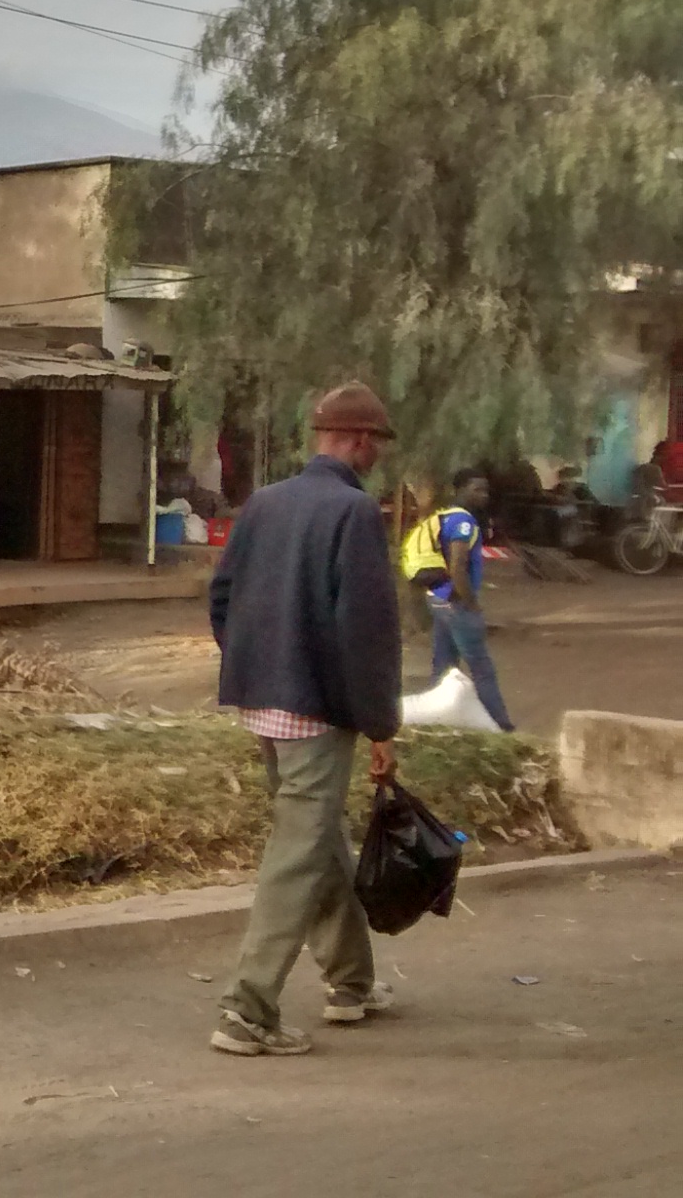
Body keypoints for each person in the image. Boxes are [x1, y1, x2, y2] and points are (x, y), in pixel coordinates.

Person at [204, 382, 403, 1057]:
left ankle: (351, 983)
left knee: (317, 840)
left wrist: (255, 664)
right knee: (298, 853)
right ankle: (247, 1011)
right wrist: (380, 724)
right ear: (359, 441)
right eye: (377, 443)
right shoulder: (355, 511)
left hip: (260, 700)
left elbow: (222, 597)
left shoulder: (264, 502)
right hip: (317, 710)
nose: (378, 454)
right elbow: (366, 632)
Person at [402, 469, 512, 731]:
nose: (483, 495)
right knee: (481, 667)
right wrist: (471, 603)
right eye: (476, 489)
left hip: (438, 598)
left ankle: (436, 720)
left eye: (485, 490)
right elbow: (458, 567)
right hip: (456, 602)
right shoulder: (464, 523)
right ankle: (501, 725)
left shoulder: (445, 517)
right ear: (459, 490)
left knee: (443, 664)